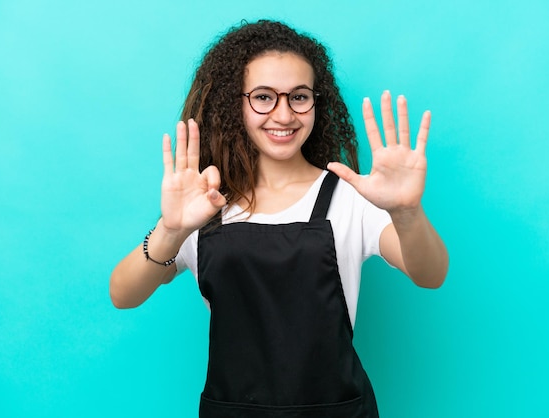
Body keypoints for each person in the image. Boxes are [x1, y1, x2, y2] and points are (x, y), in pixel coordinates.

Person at [110, 19, 448, 418]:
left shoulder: (350, 197)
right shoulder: (204, 202)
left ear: (316, 104)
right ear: (234, 103)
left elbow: (430, 274)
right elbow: (123, 294)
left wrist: (407, 212)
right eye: (264, 97)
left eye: (299, 97)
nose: (284, 115)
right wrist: (171, 229)